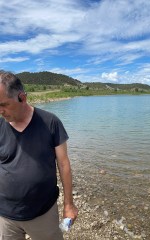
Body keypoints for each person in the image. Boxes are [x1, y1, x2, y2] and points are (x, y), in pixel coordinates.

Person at [0, 70, 78, 239]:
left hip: (43, 213)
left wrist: (68, 204)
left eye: (3, 105)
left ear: (22, 97)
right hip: (5, 215)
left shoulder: (51, 122)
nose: (0, 111)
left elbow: (64, 165)